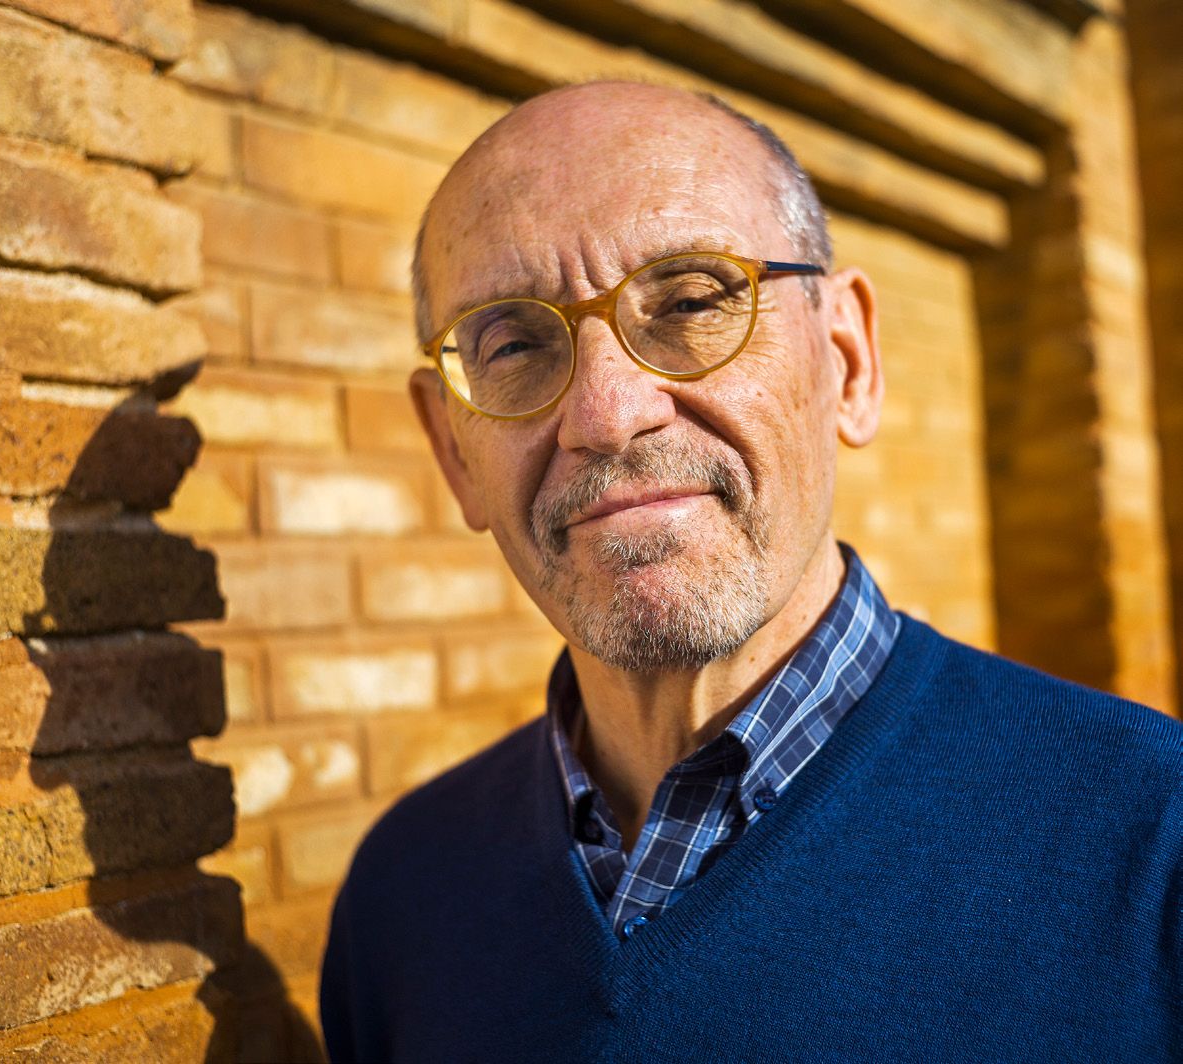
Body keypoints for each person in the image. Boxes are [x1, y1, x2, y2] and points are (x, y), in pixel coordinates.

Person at [320, 81, 1183, 1062]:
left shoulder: (1149, 840)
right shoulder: (402, 898)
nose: (605, 412)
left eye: (689, 300)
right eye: (513, 344)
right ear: (450, 449)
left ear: (846, 363)